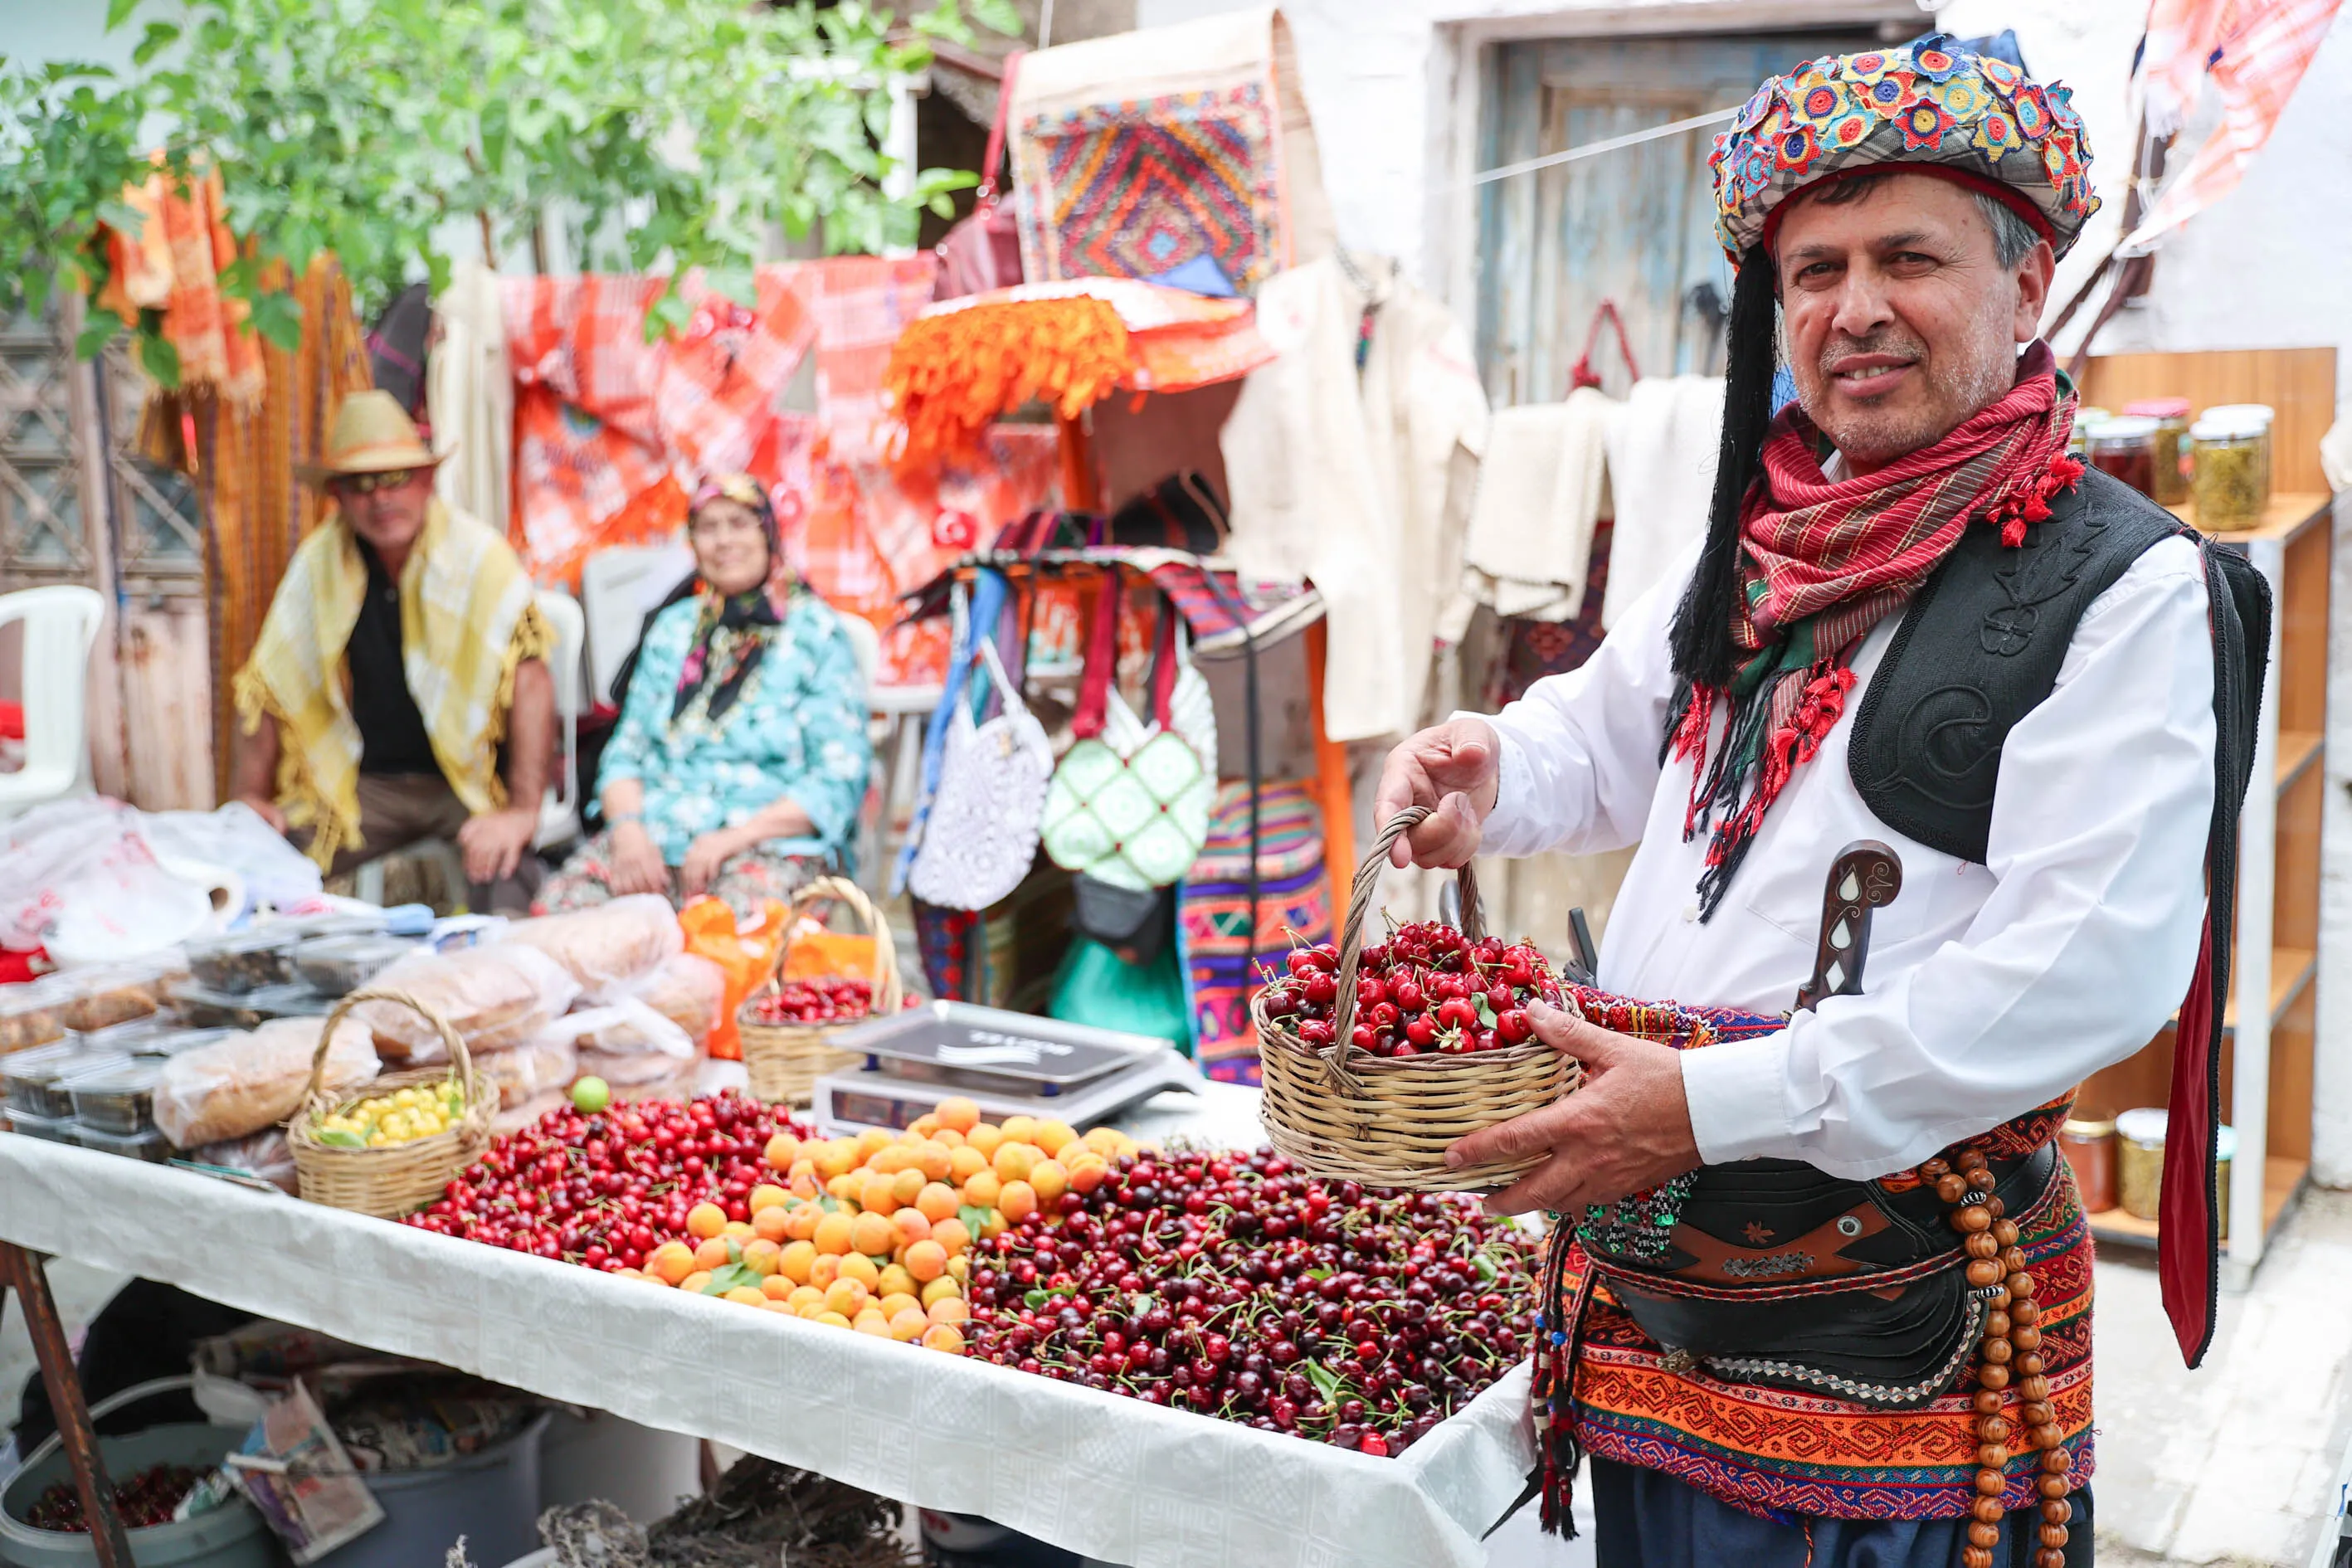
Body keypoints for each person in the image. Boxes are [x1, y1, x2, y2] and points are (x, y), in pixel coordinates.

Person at [1376, 36, 2259, 1568]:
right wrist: (1489, 777)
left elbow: (2083, 975)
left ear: (2026, 281)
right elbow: (1604, 740)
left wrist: (1706, 1107)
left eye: (1909, 258)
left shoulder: (2122, 588)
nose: (1854, 310)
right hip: (1656, 1289)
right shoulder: (1766, 540)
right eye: (1814, 271)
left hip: (1890, 1330)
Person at [232, 391, 555, 913]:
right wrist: (250, 797)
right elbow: (270, 680)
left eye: (395, 478)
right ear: (337, 495)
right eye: (361, 485)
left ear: (427, 480)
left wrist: (520, 811)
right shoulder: (319, 564)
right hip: (364, 788)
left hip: (463, 782)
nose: (380, 498)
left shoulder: (479, 556)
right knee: (253, 869)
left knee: (509, 884)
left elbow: (532, 680)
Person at [537, 475, 870, 916]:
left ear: (768, 532)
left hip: (763, 845)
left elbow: (837, 777)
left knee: (730, 949)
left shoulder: (815, 633)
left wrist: (732, 839)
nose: (723, 540)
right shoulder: (674, 628)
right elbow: (624, 754)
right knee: (560, 916)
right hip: (654, 840)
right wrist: (629, 832)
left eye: (738, 522)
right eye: (707, 528)